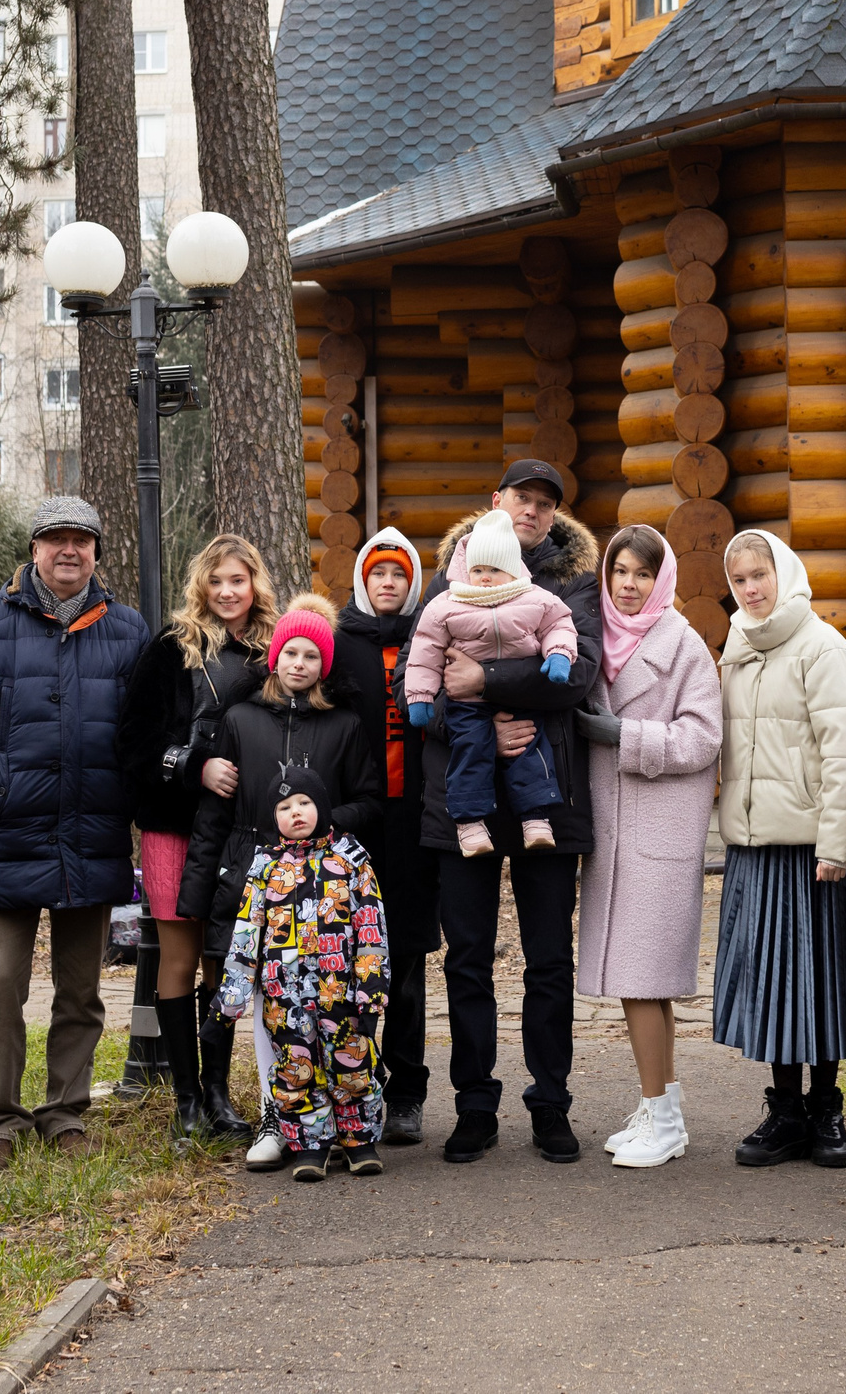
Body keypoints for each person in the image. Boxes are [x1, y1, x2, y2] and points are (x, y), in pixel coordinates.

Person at [0, 497, 150, 1177]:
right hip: (9, 831)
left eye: (81, 540)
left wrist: (128, 792)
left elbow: (145, 727)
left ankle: (65, 1110)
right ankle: (0, 1117)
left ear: (96, 553)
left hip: (92, 834)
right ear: (33, 549)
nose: (67, 551)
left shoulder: (129, 629)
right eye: (54, 539)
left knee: (80, 990)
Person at [415, 461, 603, 1166]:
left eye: (545, 504)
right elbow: (422, 685)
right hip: (461, 801)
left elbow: (579, 671)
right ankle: (473, 1104)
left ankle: (550, 1103)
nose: (532, 510)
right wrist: (480, 725)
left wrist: (484, 680)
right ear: (496, 501)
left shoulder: (572, 581)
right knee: (468, 959)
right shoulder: (449, 580)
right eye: (522, 498)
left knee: (549, 959)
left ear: (553, 516)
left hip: (547, 797)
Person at [179, 594, 378, 1161]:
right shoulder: (241, 720)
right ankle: (276, 1116)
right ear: (274, 657)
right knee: (265, 998)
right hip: (250, 872)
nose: (299, 664)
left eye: (311, 656)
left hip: (325, 888)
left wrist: (329, 823)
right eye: (290, 651)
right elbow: (214, 813)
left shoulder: (342, 725)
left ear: (325, 665)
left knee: (318, 1001)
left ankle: (338, 1118)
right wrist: (197, 890)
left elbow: (370, 800)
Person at [710, 529, 846, 1169]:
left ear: (784, 573)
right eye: (741, 580)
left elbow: (845, 751)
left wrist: (837, 842)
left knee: (821, 979)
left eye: (760, 576)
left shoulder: (821, 647)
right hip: (756, 845)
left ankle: (827, 1109)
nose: (751, 590)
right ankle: (785, 1112)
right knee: (774, 984)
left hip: (812, 848)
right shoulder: (736, 645)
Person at [117, 534, 279, 1145]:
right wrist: (192, 766)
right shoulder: (171, 648)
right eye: (217, 582)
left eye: (238, 581)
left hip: (242, 835)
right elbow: (134, 741)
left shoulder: (270, 652)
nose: (228, 592)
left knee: (224, 960)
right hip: (174, 828)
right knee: (180, 959)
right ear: (201, 587)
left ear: (255, 584)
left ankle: (218, 1095)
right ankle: (185, 1099)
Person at [575, 525, 721, 1172]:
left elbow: (702, 738)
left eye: (641, 573)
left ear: (660, 579)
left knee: (641, 982)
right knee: (643, 984)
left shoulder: (683, 644)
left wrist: (622, 733)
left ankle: (663, 1118)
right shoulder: (594, 640)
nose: (629, 585)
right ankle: (660, 1105)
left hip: (660, 834)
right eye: (620, 573)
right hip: (614, 834)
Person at [214, 764, 390, 1183]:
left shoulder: (351, 860)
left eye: (305, 803)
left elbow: (371, 928)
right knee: (296, 1069)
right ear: (272, 818)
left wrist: (370, 992)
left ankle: (358, 1139)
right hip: (283, 995)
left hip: (340, 993)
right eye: (284, 806)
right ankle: (311, 1144)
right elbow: (245, 937)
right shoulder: (264, 868)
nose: (296, 812)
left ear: (322, 807)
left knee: (352, 1065)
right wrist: (228, 1004)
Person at [326, 528, 439, 1148]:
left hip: (417, 826)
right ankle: (350, 1089)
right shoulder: (340, 647)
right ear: (363, 583)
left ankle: (407, 1092)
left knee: (407, 963)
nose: (389, 583)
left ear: (413, 582)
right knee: (348, 962)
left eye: (399, 574)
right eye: (378, 574)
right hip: (357, 826)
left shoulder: (432, 637)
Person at [402, 508, 579, 855]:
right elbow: (425, 650)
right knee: (470, 750)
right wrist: (420, 697)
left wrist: (558, 655)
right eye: (478, 570)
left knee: (530, 748)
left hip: (519, 697)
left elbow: (560, 624)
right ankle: (469, 825)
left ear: (512, 569)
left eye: (494, 570)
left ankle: (536, 818)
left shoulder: (534, 598)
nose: (484, 578)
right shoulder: (447, 603)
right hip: (467, 704)